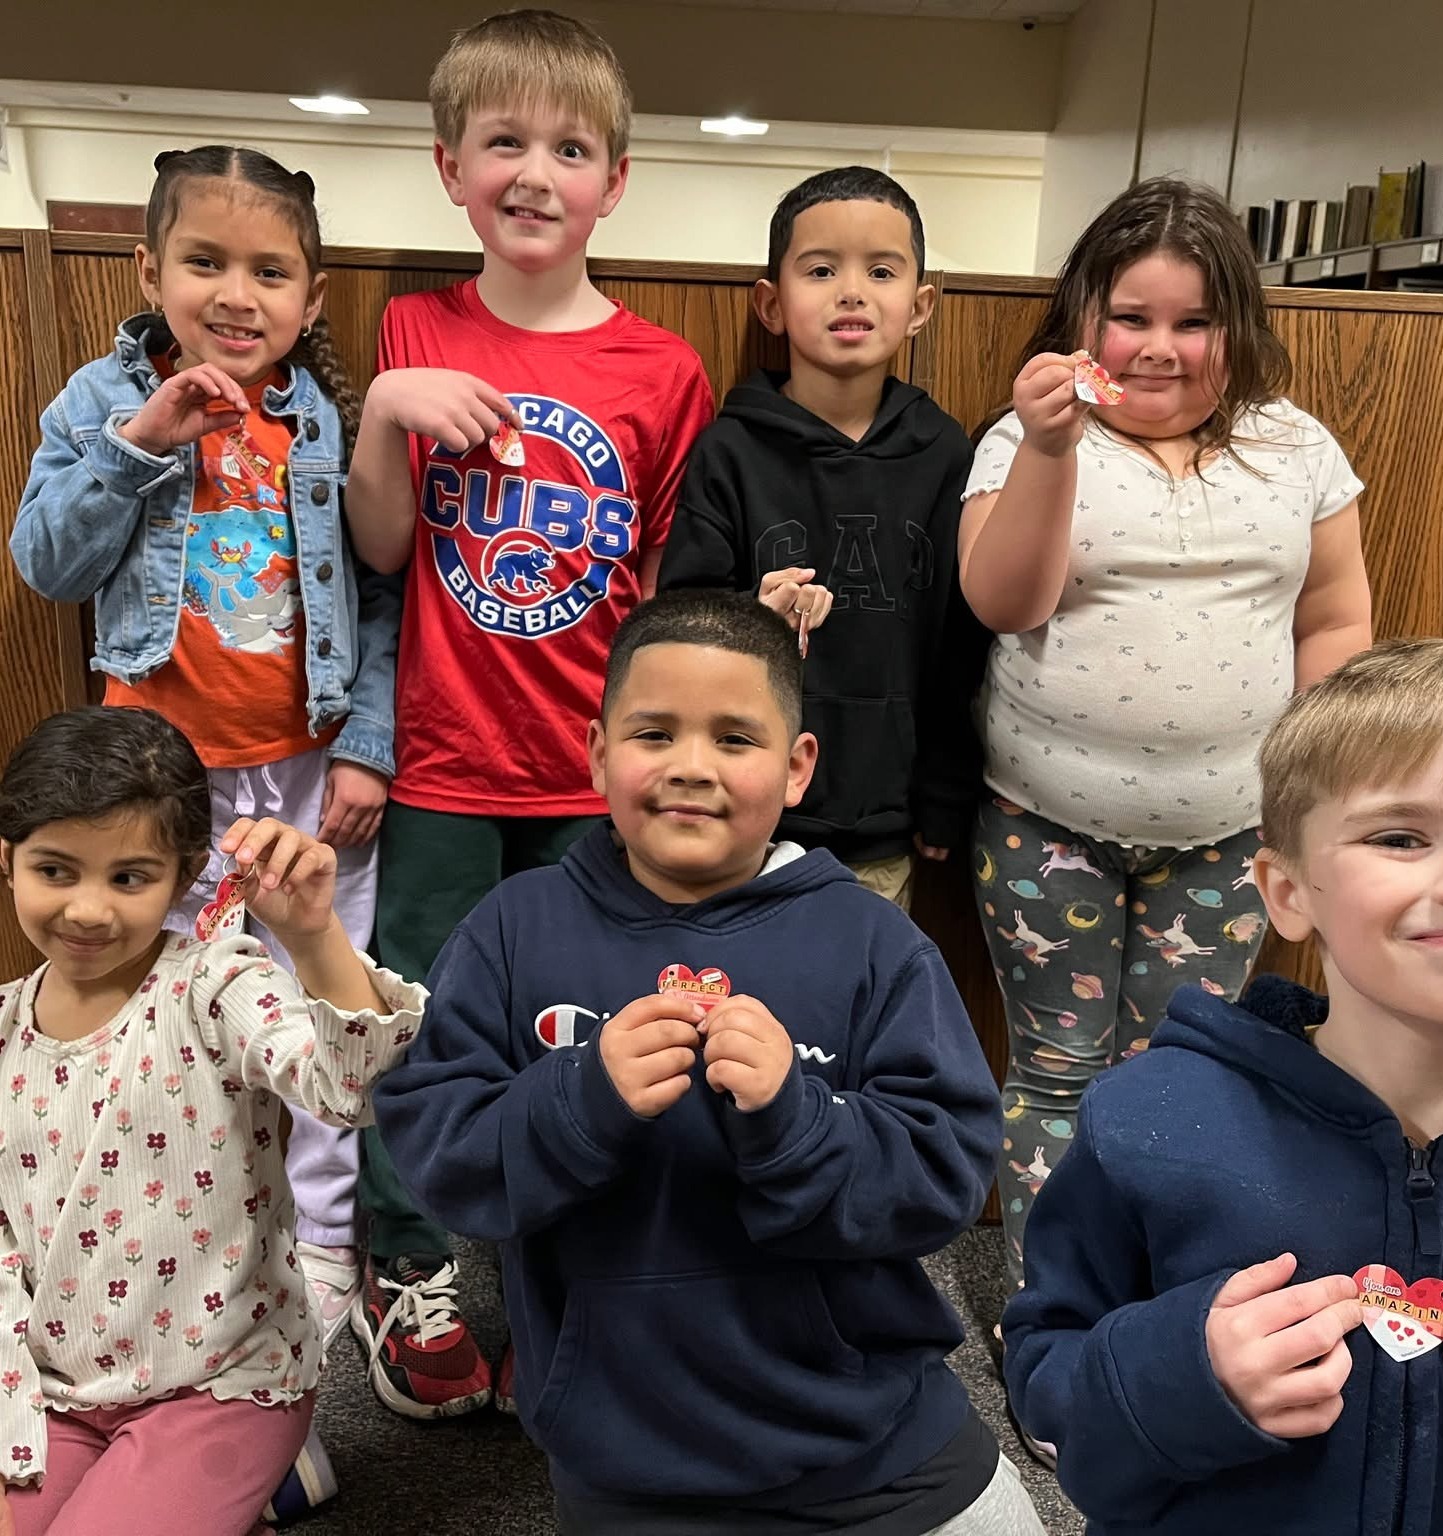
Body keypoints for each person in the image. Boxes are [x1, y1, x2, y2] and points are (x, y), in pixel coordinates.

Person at [373, 589, 1041, 1535]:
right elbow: (442, 1159)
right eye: (655, 734)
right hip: (631, 1477)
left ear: (798, 766)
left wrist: (801, 1119)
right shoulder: (513, 930)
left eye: (736, 739)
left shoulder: (871, 941)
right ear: (599, 751)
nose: (693, 768)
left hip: (882, 1457)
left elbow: (945, 1178)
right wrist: (580, 1100)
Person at [340, 9, 716, 1418]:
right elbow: (381, 551)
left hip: (591, 775)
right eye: (505, 141)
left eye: (570, 147)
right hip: (442, 764)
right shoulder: (414, 329)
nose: (537, 172)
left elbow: (670, 592)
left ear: (616, 180)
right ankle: (410, 1265)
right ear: (452, 166)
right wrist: (385, 410)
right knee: (422, 1025)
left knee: (595, 1025)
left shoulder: (665, 371)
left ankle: (580, 1261)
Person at [1003, 637, 1443, 1535]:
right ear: (1286, 893)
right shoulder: (1149, 1121)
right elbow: (1049, 1378)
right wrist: (1181, 1379)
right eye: (1400, 836)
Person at [9, 144, 398, 1354]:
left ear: (311, 298)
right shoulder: (98, 401)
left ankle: (321, 1237)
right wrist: (141, 441)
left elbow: (377, 600)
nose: (239, 294)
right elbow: (47, 564)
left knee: (318, 998)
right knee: (156, 1012)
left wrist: (366, 748)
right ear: (150, 269)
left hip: (304, 771)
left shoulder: (321, 420)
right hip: (153, 790)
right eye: (206, 262)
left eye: (271, 271)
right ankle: (159, 1226)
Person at [958, 176, 1373, 1288]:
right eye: (1131, 318)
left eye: (1194, 321)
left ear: (1237, 327)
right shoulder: (1023, 437)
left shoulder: (1297, 449)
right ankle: (1050, 1303)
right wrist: (1050, 447)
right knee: (1053, 1071)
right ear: (1084, 318)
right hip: (1046, 827)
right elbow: (1003, 603)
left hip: (1233, 837)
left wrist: (1308, 788)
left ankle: (1138, 1291)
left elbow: (1335, 620)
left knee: (1174, 1073)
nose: (1161, 348)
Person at [0, 705, 424, 1536]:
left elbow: (355, 1088)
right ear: (9, 862)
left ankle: (239, 1474)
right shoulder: (5, 1027)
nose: (87, 910)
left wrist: (311, 938)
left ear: (184, 871)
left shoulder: (217, 986)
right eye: (56, 871)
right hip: (50, 1384)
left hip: (218, 1378)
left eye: (127, 877)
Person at [659, 167, 987, 910]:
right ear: (771, 304)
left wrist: (944, 790)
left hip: (882, 826)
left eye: (880, 270)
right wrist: (752, 617)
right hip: (736, 814)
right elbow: (680, 620)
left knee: (850, 1012)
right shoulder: (729, 451)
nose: (851, 291)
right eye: (820, 269)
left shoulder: (946, 455)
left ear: (920, 307)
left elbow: (959, 646)